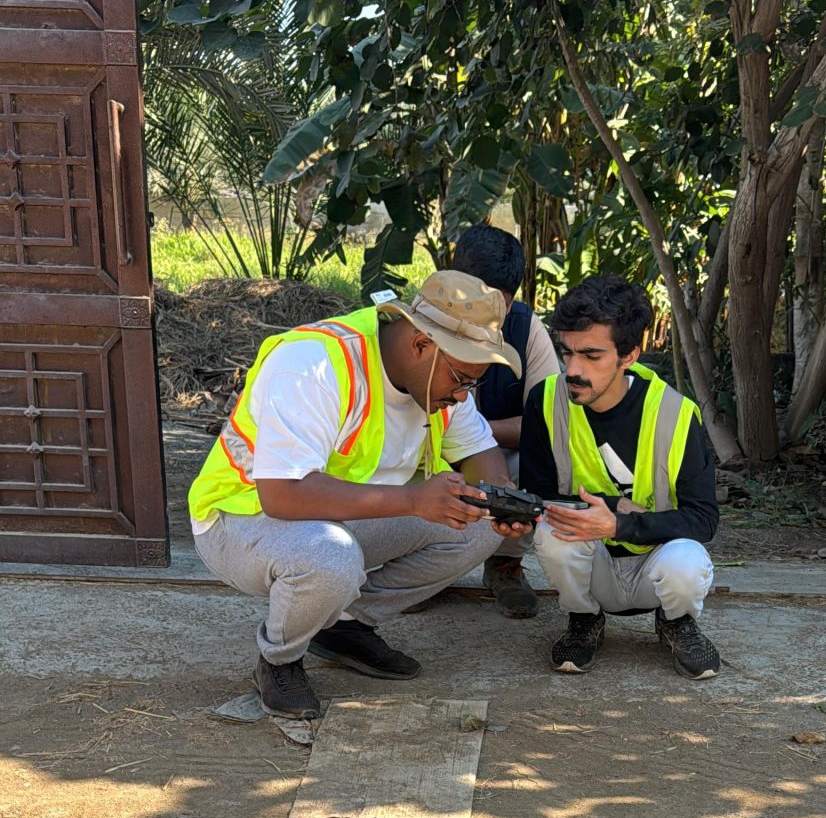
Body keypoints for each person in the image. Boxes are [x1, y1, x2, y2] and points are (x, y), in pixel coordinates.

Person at [188, 271, 532, 718]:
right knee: (331, 556)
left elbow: (480, 451)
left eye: (473, 384)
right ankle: (279, 660)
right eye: (462, 379)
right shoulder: (314, 363)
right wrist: (414, 501)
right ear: (421, 344)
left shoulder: (441, 379)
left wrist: (498, 500)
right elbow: (282, 495)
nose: (464, 396)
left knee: (477, 526)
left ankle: (343, 627)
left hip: (340, 516)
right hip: (241, 520)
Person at [519, 274, 722, 678]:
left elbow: (703, 519)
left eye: (591, 356)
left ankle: (676, 621)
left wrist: (620, 524)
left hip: (656, 561)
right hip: (592, 564)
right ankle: (584, 618)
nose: (573, 369)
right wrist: (614, 507)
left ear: (628, 355)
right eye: (566, 352)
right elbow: (538, 496)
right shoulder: (545, 401)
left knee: (688, 560)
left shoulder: (676, 413)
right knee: (551, 532)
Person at [451, 222, 560, 620]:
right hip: (427, 454)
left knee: (541, 458)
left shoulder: (526, 328)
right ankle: (413, 569)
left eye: (500, 306)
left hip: (495, 457)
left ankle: (505, 562)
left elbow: (548, 422)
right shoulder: (420, 323)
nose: (488, 318)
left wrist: (472, 432)